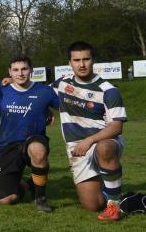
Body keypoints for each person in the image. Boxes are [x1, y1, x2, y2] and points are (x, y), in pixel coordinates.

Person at [53, 41, 127, 221]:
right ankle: (119, 194)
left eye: (86, 59)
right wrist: (7, 81)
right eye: (77, 60)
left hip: (104, 140)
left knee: (104, 149)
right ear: (70, 63)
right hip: (76, 149)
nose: (82, 64)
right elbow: (38, 94)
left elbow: (116, 127)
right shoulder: (61, 84)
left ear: (93, 60)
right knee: (92, 205)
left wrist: (89, 140)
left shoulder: (109, 90)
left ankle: (114, 205)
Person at [0, 54, 58, 212]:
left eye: (24, 69)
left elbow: (66, 107)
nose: (20, 73)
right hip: (7, 144)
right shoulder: (1, 91)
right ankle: (31, 183)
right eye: (15, 70)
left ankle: (40, 198)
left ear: (31, 70)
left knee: (37, 150)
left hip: (33, 139)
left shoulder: (45, 91)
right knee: (6, 199)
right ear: (9, 72)